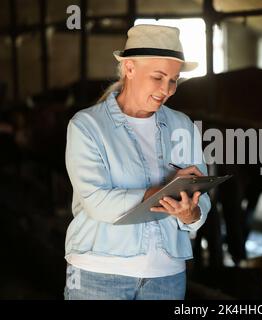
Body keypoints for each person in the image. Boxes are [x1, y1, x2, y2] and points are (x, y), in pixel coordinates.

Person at [63, 24, 211, 300]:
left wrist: (191, 214)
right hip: (98, 275)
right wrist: (164, 194)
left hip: (166, 277)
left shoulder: (182, 125)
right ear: (129, 68)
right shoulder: (87, 126)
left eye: (174, 80)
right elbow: (96, 201)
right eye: (158, 77)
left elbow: (201, 200)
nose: (167, 89)